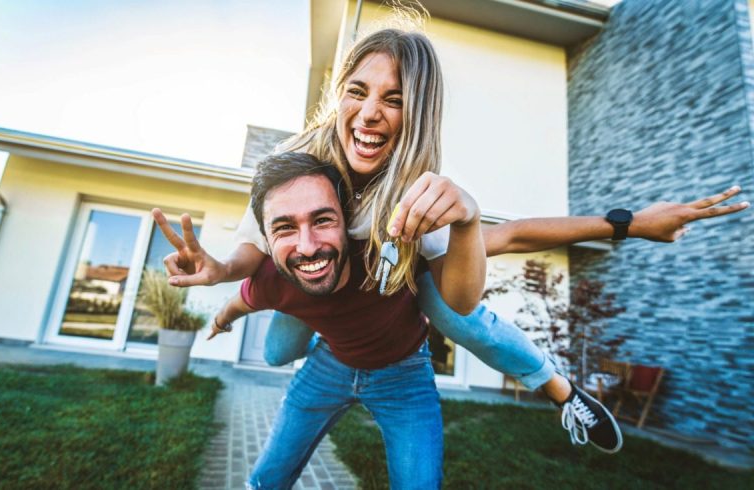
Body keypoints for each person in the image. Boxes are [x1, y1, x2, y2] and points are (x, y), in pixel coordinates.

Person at [153, 25, 749, 456]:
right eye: (357, 91)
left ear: (418, 112)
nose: (369, 113)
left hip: (398, 329)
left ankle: (561, 389)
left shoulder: (416, 195)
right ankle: (311, 324)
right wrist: (220, 274)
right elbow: (253, 254)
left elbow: (508, 237)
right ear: (338, 94)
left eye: (394, 99)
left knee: (448, 305)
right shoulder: (292, 166)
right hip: (313, 308)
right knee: (279, 343)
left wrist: (631, 223)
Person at [200, 151, 484, 488]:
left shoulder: (394, 248)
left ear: (348, 223)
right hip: (329, 365)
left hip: (404, 373)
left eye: (322, 220)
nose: (307, 247)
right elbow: (239, 303)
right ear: (265, 238)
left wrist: (470, 218)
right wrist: (220, 320)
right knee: (266, 477)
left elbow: (509, 237)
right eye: (285, 227)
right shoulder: (273, 278)